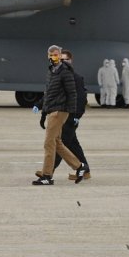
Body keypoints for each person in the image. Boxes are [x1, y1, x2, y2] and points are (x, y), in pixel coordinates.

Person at [32, 44, 86, 185]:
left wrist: (73, 114)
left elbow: (72, 93)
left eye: (56, 54)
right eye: (51, 55)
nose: (53, 57)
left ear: (60, 55)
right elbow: (49, 94)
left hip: (60, 111)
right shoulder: (51, 71)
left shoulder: (65, 72)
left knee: (48, 143)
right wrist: (43, 112)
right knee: (57, 142)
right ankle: (79, 166)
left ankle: (47, 176)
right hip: (52, 110)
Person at [55, 50, 90, 180]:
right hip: (61, 116)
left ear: (70, 61)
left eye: (65, 60)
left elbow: (81, 99)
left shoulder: (76, 78)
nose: (63, 62)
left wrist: (77, 116)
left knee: (60, 144)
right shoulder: (59, 77)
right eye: (61, 60)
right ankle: (85, 170)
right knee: (73, 145)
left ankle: (48, 171)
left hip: (71, 117)